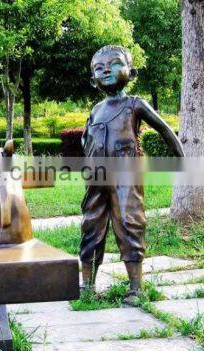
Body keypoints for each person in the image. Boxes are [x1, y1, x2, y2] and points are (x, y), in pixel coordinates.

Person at [80, 45, 184, 305]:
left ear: (131, 71)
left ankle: (135, 287)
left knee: (129, 221)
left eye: (114, 64)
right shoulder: (95, 109)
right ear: (93, 80)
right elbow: (86, 138)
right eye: (98, 68)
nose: (105, 70)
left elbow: (164, 130)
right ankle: (87, 285)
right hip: (97, 177)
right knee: (91, 225)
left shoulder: (135, 104)